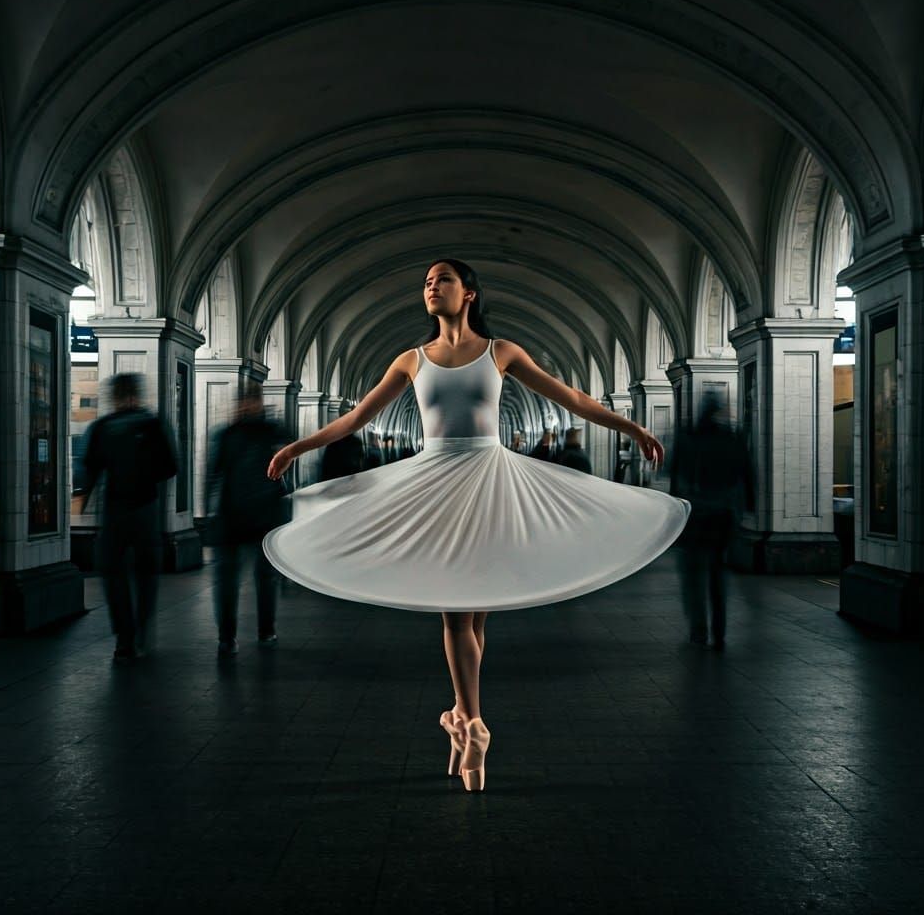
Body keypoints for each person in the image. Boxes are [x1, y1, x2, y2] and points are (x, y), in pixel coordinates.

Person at [264, 259, 689, 791]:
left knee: (466, 613)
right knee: (461, 613)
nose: (431, 287)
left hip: (489, 483)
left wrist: (632, 427)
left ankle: (471, 723)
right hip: (436, 486)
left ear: (468, 293)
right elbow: (356, 418)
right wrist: (296, 447)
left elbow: (573, 398)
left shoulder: (501, 352)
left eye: (442, 279)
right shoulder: (411, 360)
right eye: (426, 282)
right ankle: (465, 718)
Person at [81, 373, 177, 663]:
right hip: (145, 506)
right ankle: (142, 631)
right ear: (137, 395)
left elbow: (91, 467)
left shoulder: (102, 427)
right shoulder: (152, 425)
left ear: (114, 397)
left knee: (113, 573)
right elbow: (170, 466)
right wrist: (146, 475)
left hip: (114, 508)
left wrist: (85, 500)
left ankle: (124, 636)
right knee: (146, 573)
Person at [205, 383, 289, 657]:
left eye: (250, 401)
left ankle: (259, 631)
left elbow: (214, 474)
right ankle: (230, 636)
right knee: (241, 580)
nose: (246, 406)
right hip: (239, 517)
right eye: (244, 401)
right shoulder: (259, 432)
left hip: (256, 516)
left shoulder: (248, 432)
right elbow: (214, 474)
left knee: (255, 578)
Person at [669, 394, 754, 650]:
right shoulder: (733, 439)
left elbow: (675, 476)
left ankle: (698, 631)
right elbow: (747, 475)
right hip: (723, 516)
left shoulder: (688, 438)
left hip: (696, 515)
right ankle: (719, 630)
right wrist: (747, 507)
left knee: (693, 576)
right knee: (718, 574)